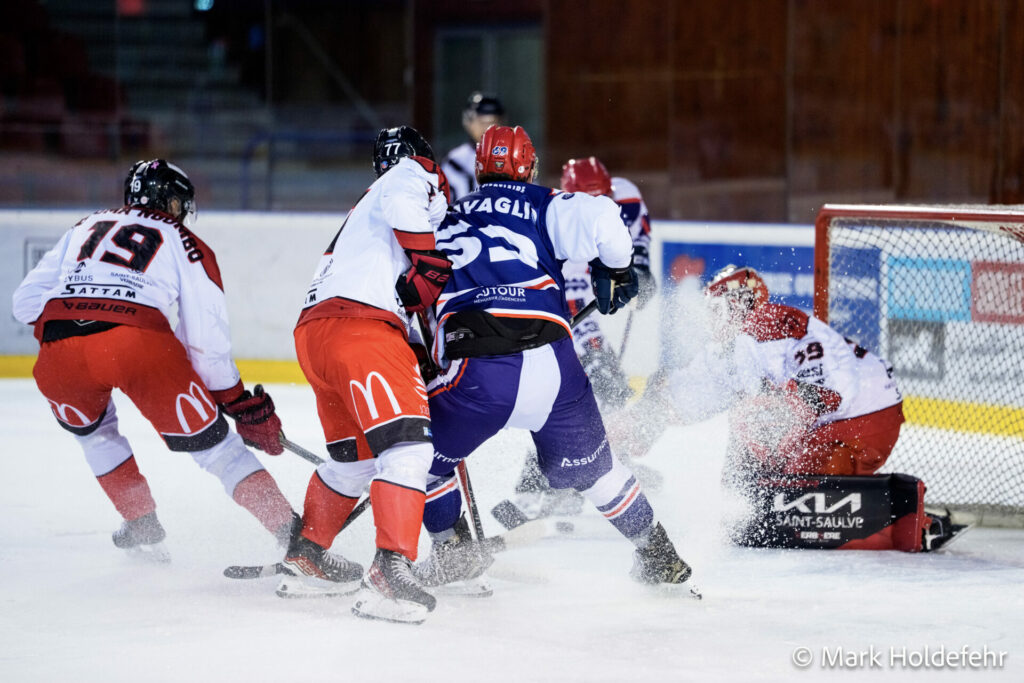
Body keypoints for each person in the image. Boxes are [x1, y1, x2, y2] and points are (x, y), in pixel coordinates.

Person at [414, 124, 699, 596]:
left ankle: (450, 550)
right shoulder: (548, 203)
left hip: (478, 370)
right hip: (555, 367)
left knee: (421, 462)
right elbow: (607, 220)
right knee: (598, 472)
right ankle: (657, 553)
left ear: (480, 167)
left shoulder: (443, 217)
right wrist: (618, 269)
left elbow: (408, 293)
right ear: (529, 167)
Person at [11, 159, 297, 562]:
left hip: (60, 347)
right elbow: (205, 338)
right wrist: (234, 399)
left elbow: (23, 303)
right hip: (137, 342)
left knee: (95, 434)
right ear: (169, 200)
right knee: (218, 450)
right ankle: (295, 539)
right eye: (180, 203)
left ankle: (140, 520)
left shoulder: (84, 225)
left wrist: (78, 313)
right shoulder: (183, 239)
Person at [617, 265, 963, 551]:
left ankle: (907, 523)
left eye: (718, 307)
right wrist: (646, 415)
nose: (712, 318)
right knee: (753, 423)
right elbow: (693, 392)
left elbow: (833, 390)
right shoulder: (731, 346)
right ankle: (753, 507)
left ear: (741, 302)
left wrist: (781, 422)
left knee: (769, 436)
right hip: (830, 421)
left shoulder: (776, 322)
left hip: (866, 419)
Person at [282, 126, 452, 624]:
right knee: (409, 449)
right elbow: (409, 206)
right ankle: (390, 572)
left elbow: (396, 287)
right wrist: (428, 256)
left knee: (354, 463)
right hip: (362, 329)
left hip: (316, 333)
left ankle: (307, 556)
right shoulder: (412, 173)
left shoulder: (364, 210)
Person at [505, 156, 661, 524]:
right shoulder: (556, 216)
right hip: (565, 299)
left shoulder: (628, 197)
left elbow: (638, 240)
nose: (600, 206)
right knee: (596, 383)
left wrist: (639, 271)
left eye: (604, 198)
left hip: (599, 268)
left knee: (607, 389)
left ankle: (597, 463)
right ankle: (541, 477)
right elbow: (571, 298)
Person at [441, 91, 505, 201]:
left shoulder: (515, 157)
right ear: (468, 123)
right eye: (481, 122)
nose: (488, 128)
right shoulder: (455, 160)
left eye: (493, 122)